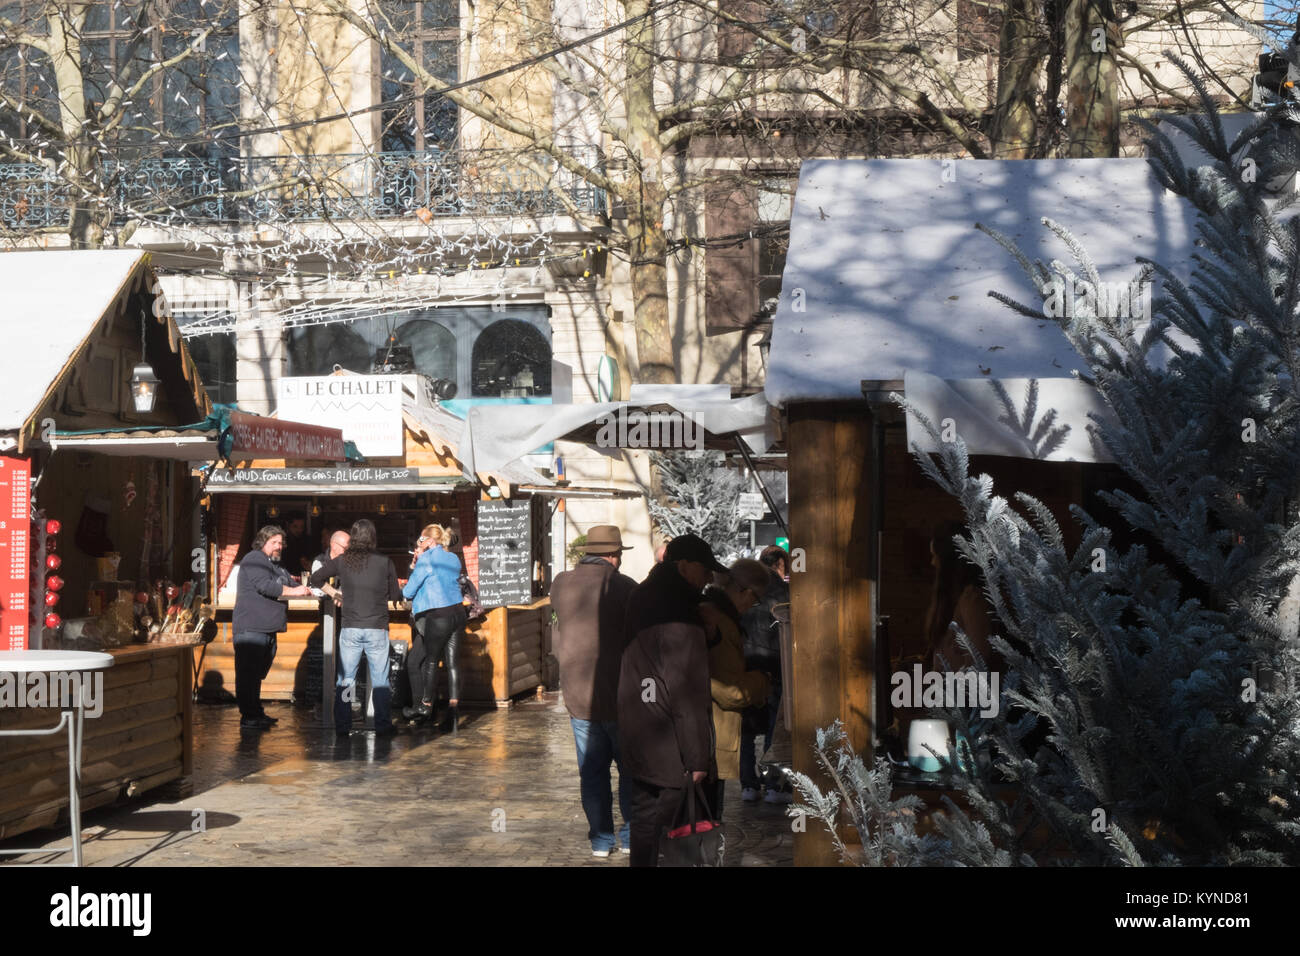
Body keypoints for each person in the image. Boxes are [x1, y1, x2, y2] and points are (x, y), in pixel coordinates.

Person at [618, 532, 726, 867]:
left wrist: (709, 633)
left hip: (639, 725)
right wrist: (696, 759)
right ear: (683, 566)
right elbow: (685, 687)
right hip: (668, 739)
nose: (710, 577)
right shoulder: (677, 610)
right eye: (704, 569)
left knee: (646, 820)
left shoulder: (645, 594)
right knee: (674, 830)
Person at [550, 525, 639, 857]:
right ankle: (630, 836)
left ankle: (601, 840)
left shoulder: (561, 582)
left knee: (592, 771)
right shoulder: (625, 586)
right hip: (620, 695)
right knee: (630, 769)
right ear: (614, 556)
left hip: (578, 695)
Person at [310, 519, 403, 737]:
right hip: (377, 628)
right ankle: (382, 725)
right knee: (380, 680)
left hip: (350, 627)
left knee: (346, 680)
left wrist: (334, 593)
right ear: (373, 537)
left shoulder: (343, 561)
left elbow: (315, 578)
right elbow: (395, 595)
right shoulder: (384, 561)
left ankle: (343, 726)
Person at [699, 559, 772, 820]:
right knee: (707, 822)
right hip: (711, 738)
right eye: (755, 599)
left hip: (707, 736)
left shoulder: (715, 615)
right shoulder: (721, 622)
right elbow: (730, 692)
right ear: (744, 591)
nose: (753, 607)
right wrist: (763, 680)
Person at [232, 525, 313, 731]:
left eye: (280, 543)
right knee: (248, 673)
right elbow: (265, 586)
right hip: (252, 626)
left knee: (257, 672)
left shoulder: (275, 564)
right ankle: (248, 716)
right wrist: (295, 592)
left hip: (266, 627)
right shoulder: (254, 559)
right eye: (274, 542)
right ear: (263, 542)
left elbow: (287, 582)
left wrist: (306, 589)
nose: (279, 546)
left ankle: (256, 712)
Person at [402, 523, 467, 733]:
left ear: (430, 541)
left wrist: (417, 562)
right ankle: (454, 711)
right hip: (458, 613)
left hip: (438, 615)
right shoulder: (453, 558)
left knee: (430, 660)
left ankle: (425, 705)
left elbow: (409, 591)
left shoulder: (427, 559)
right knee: (452, 663)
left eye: (421, 540)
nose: (418, 544)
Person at [738, 546, 789, 801]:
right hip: (775, 665)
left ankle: (748, 785)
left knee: (745, 728)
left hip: (745, 664)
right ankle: (773, 785)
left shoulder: (745, 589)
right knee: (773, 726)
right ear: (780, 563)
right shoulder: (783, 591)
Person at [925, 520, 997, 672]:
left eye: (935, 556)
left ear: (949, 561)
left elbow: (978, 664)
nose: (933, 562)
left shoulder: (972, 600)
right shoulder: (955, 600)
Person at [311, 530, 350, 606]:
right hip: (324, 608)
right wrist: (336, 594)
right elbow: (316, 589)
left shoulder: (349, 563)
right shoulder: (319, 562)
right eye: (345, 548)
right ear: (333, 545)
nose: (347, 552)